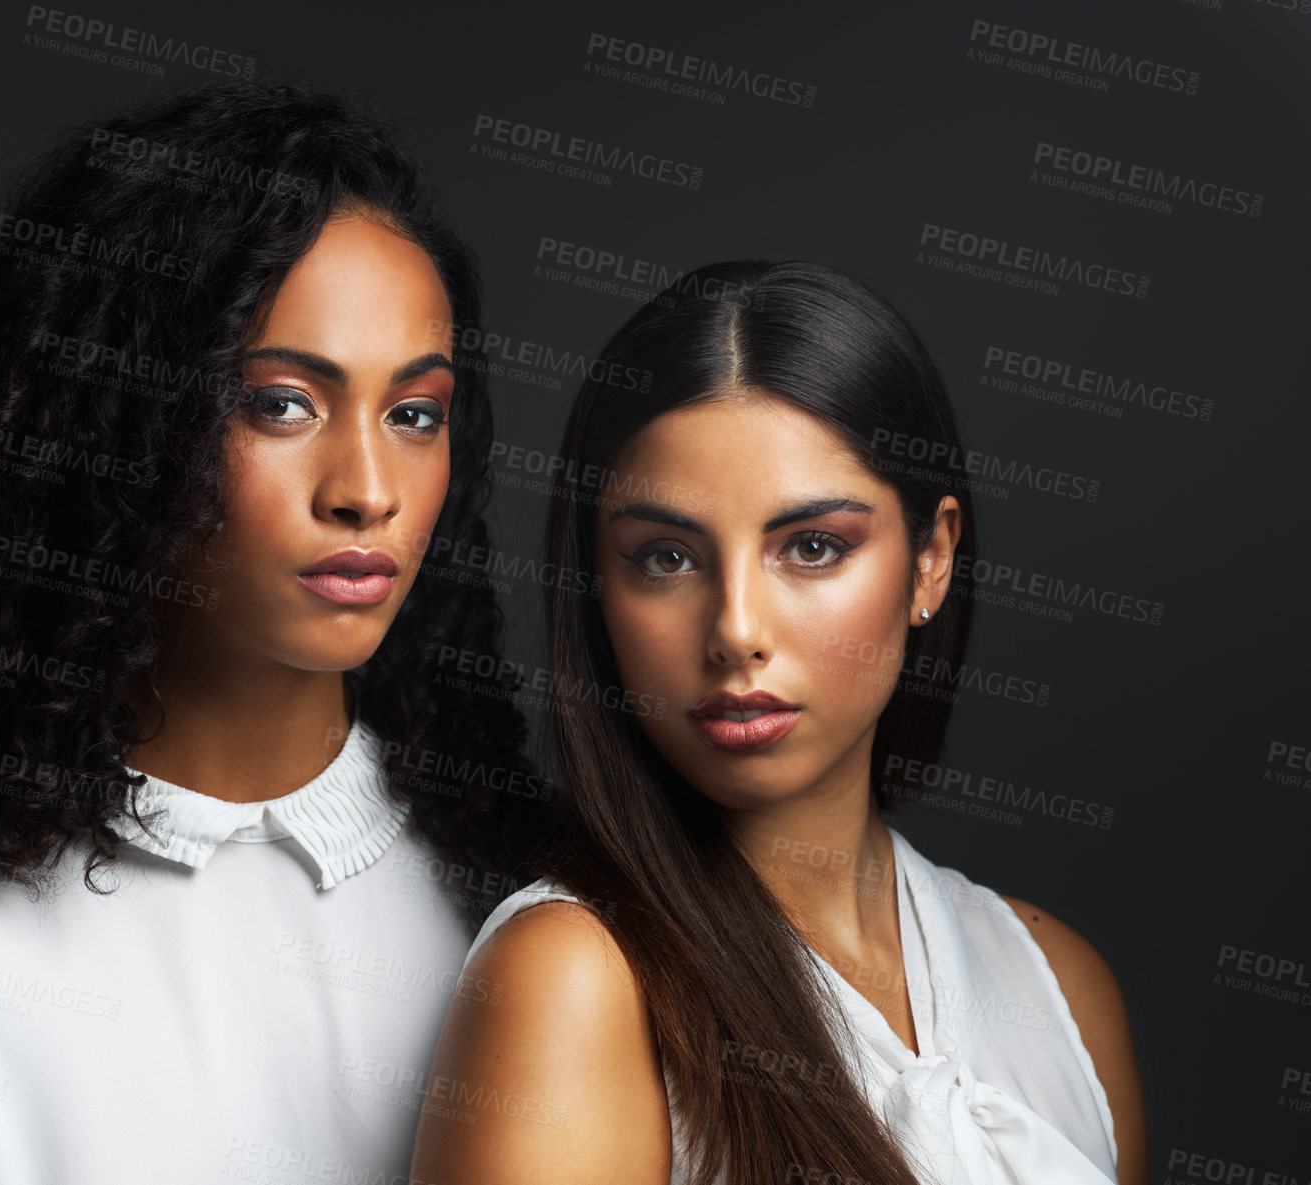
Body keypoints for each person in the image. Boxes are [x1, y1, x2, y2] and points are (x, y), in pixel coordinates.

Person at [0, 78, 546, 1185]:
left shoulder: (530, 891)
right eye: (280, 402)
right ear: (112, 428)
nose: (369, 489)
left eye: (414, 414)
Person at [411, 260, 1148, 1184]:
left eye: (811, 547)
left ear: (931, 560)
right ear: (596, 587)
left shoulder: (1062, 987)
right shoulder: (572, 981)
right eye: (667, 558)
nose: (736, 631)